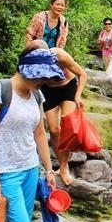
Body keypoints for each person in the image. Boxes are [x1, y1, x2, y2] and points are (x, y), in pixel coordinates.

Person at [0, 47, 60, 222]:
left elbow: (39, 133)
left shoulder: (37, 95)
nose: (44, 81)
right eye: (42, 76)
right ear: (29, 71)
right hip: (6, 172)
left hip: (30, 169)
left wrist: (48, 170)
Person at [24, 40, 87, 185]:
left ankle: (64, 166)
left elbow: (82, 74)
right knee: (54, 129)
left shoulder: (60, 56)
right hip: (48, 90)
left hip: (67, 87)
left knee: (67, 125)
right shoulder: (32, 62)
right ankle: (61, 163)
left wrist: (77, 96)